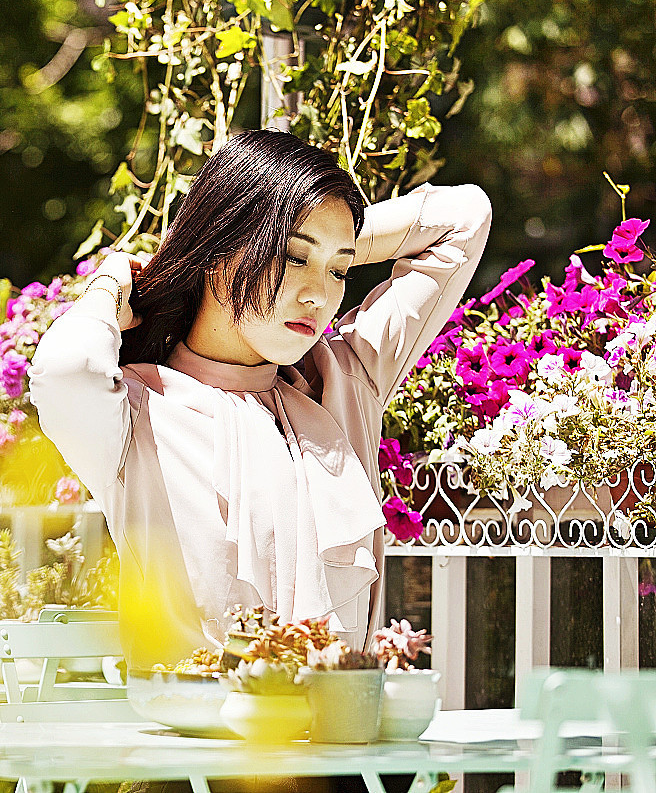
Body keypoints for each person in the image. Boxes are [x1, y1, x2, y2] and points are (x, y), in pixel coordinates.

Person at [29, 129, 491, 668]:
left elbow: (465, 217)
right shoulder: (133, 413)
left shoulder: (342, 380)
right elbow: (66, 367)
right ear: (220, 250)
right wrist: (111, 284)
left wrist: (324, 234)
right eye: (294, 260)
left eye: (339, 271)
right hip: (193, 742)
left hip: (344, 743)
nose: (319, 294)